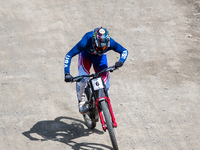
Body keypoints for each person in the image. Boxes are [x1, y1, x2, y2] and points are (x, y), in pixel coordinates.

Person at [64, 27, 128, 114]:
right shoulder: (85, 41)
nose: (101, 49)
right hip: (86, 56)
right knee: (83, 79)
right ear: (94, 42)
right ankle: (81, 101)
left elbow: (124, 51)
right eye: (99, 47)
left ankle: (102, 104)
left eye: (103, 47)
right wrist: (67, 73)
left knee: (105, 84)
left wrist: (121, 61)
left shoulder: (110, 43)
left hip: (100, 59)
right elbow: (69, 55)